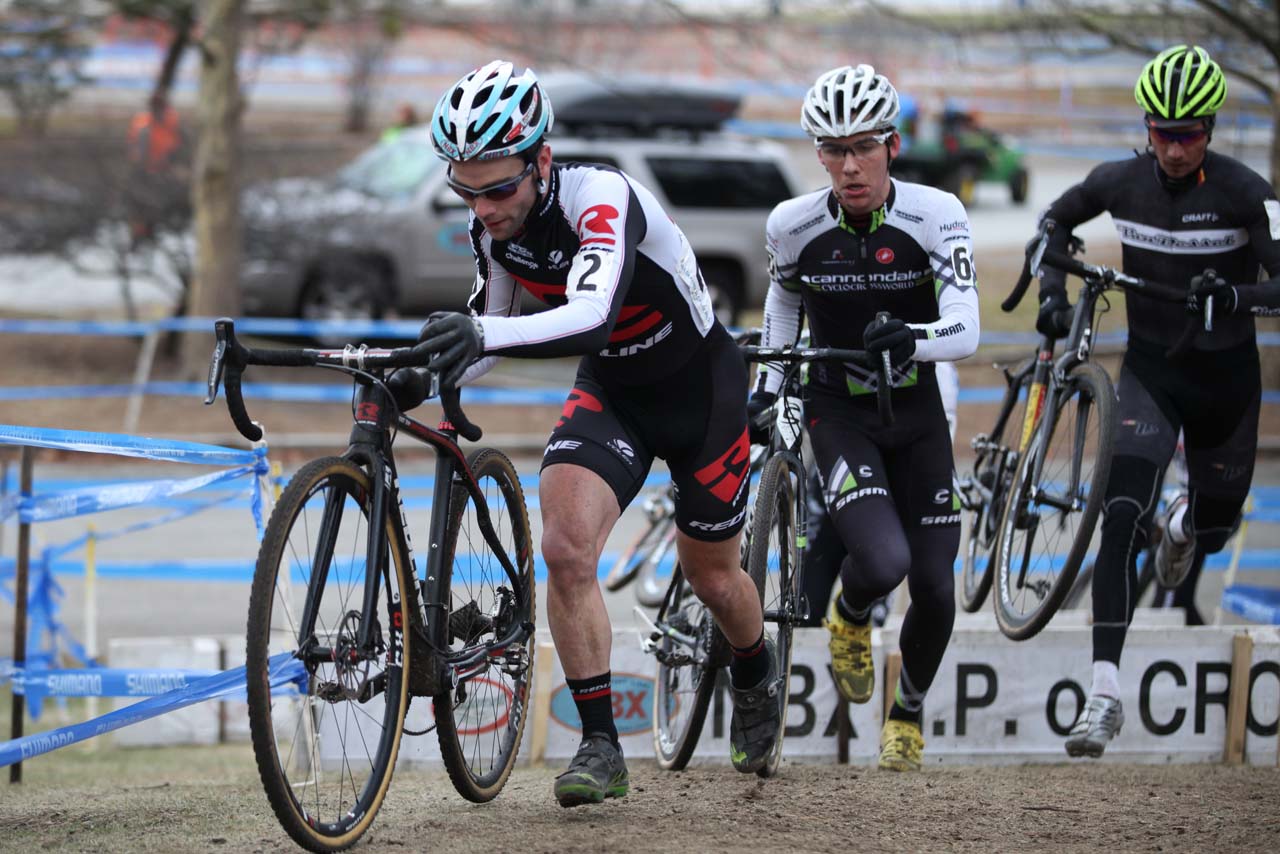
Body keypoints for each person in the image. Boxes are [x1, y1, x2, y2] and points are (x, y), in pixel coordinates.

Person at [391, 61, 779, 805]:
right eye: (465, 190)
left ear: (541, 160)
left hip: (702, 391)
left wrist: (477, 331)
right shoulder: (493, 229)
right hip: (616, 392)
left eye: (499, 188)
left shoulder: (601, 199)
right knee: (566, 550)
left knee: (714, 578)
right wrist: (411, 374)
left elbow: (591, 314)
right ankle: (601, 745)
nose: (484, 207)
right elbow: (495, 337)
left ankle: (756, 668)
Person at [1033, 44, 1280, 758]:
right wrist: (1053, 289)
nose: (1174, 148)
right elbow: (1054, 223)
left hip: (1226, 383)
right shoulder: (1120, 181)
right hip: (1148, 373)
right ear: (1146, 126)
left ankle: (1184, 528)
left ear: (1210, 129)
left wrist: (1234, 294)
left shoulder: (1244, 191)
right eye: (1163, 132)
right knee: (1116, 515)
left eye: (1190, 134)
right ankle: (1102, 694)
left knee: (1211, 527)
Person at [747, 64, 980, 771]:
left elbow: (966, 329)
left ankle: (905, 714)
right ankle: (850, 614)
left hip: (917, 410)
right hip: (837, 411)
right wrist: (770, 382)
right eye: (832, 150)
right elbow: (783, 305)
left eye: (864, 148)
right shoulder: (793, 223)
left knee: (936, 587)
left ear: (894, 145)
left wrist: (915, 338)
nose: (849, 167)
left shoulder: (937, 212)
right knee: (883, 561)